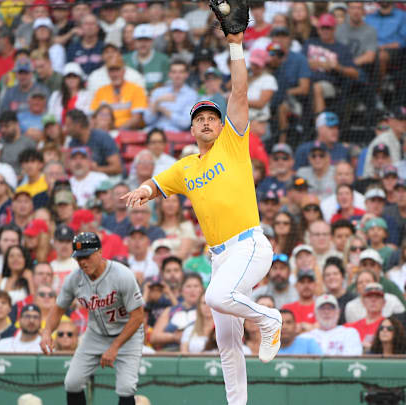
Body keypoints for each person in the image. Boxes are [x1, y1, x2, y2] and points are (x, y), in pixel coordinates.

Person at [121, 21, 283, 405]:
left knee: (215, 296)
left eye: (211, 115)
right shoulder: (185, 166)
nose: (207, 120)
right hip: (221, 255)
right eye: (200, 118)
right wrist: (143, 191)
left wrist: (236, 45)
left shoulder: (233, 139)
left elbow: (239, 90)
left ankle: (269, 318)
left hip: (249, 245)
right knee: (227, 342)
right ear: (192, 129)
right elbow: (156, 184)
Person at [40, 232, 144, 405]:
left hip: (128, 334)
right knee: (72, 382)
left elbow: (138, 316)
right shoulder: (74, 279)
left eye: (86, 256)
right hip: (96, 334)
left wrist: (114, 347)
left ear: (99, 252)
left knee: (126, 388)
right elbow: (58, 309)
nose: (82, 262)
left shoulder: (122, 275)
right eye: (78, 258)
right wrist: (46, 332)